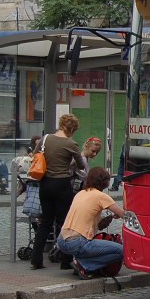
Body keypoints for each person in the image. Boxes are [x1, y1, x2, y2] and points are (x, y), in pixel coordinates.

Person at [30, 113, 88, 270]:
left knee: (46, 222)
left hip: (45, 183)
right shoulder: (71, 144)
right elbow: (81, 166)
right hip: (62, 184)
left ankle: (36, 259)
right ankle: (65, 260)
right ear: (72, 129)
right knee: (64, 222)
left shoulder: (45, 139)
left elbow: (34, 155)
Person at [56, 166, 125, 280]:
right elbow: (123, 214)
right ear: (104, 182)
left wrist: (107, 218)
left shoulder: (80, 193)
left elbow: (90, 218)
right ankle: (85, 265)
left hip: (61, 240)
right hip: (77, 242)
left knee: (92, 246)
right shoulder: (101, 196)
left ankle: (79, 262)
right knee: (121, 251)